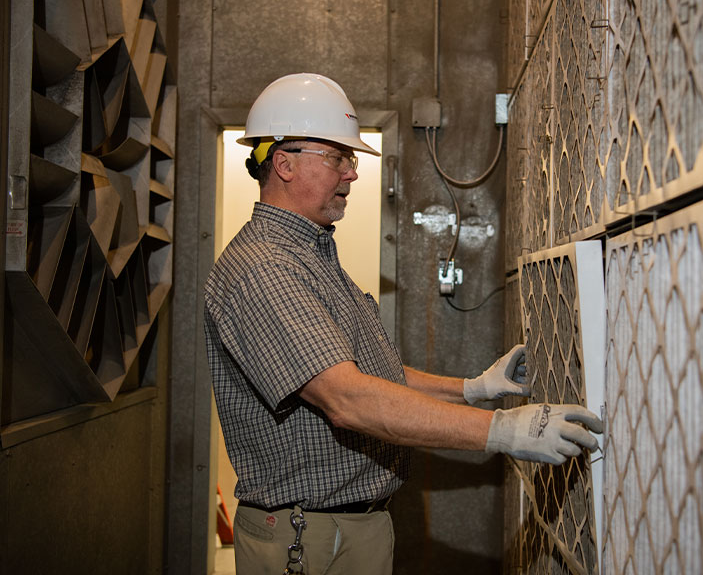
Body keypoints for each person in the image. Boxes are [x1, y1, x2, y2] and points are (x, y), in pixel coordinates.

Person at [204, 73, 603, 575]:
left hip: (346, 529)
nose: (351, 174)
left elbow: (371, 376)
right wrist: (503, 431)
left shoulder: (312, 256)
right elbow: (347, 399)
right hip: (310, 536)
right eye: (338, 158)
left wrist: (472, 389)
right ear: (283, 163)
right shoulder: (264, 268)